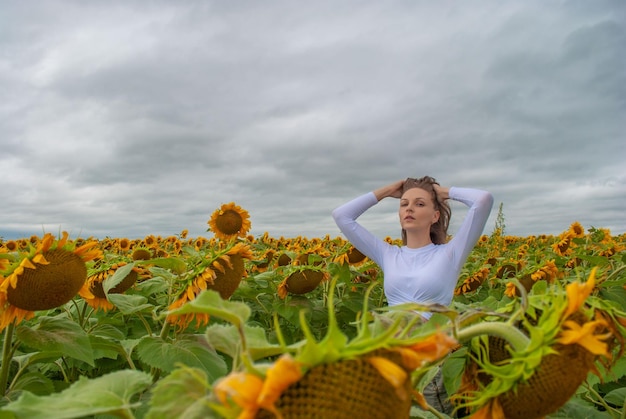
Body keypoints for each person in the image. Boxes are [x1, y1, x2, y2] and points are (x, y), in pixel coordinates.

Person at [332, 176, 493, 415]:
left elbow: (483, 200)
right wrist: (386, 191)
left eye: (419, 204)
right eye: (404, 204)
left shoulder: (450, 253)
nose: (409, 208)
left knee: (428, 412)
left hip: (431, 359)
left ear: (435, 215)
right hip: (390, 354)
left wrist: (442, 192)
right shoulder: (389, 254)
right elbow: (341, 216)